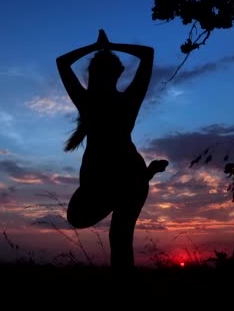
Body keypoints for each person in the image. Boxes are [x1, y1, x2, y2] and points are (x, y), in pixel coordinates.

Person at [56, 29, 168, 268]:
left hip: (123, 176)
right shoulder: (121, 100)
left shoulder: (88, 101)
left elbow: (62, 62)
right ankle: (142, 176)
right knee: (115, 238)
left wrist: (98, 47)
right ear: (118, 72)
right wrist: (110, 46)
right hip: (127, 176)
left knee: (118, 239)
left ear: (91, 73)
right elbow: (147, 54)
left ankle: (122, 293)